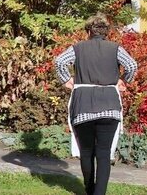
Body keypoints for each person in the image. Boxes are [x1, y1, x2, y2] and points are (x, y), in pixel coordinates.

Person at [54, 14, 138, 195]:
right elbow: (131, 65)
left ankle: (89, 189)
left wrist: (66, 80)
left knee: (86, 151)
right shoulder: (115, 49)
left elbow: (59, 61)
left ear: (88, 31)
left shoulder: (77, 48)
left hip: (83, 104)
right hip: (110, 105)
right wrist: (124, 80)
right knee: (104, 153)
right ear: (107, 32)